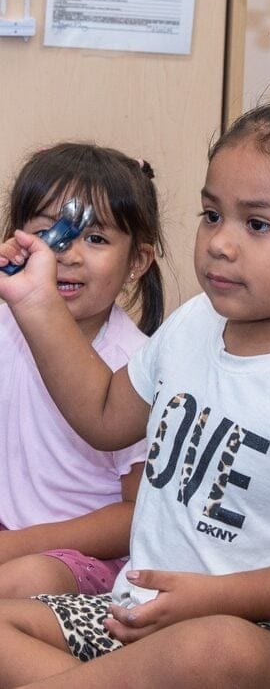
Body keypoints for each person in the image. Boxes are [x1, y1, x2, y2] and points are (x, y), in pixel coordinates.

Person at [0, 102, 270, 688]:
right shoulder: (193, 324)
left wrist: (215, 598)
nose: (220, 243)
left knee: (211, 650)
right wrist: (36, 302)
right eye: (212, 215)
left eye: (258, 224)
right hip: (140, 615)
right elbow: (104, 415)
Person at [0, 143, 162, 598]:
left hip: (86, 557)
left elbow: (140, 514)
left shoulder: (139, 368)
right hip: (9, 530)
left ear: (137, 262)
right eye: (48, 232)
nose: (67, 253)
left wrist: (17, 546)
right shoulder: (7, 326)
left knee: (22, 581)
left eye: (95, 238)